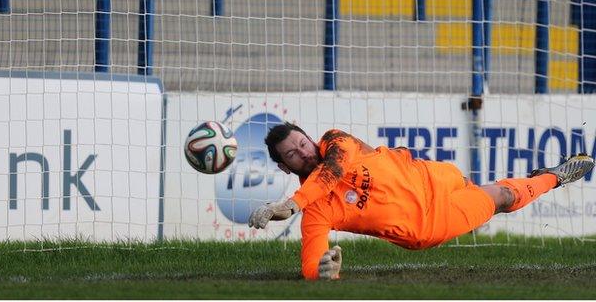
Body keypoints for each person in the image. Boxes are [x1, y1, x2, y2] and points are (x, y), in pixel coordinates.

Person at [248, 122, 595, 280]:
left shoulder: (336, 142)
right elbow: (312, 263)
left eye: (302, 144)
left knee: (496, 191)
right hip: (429, 223)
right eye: (292, 154)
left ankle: (538, 179)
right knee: (501, 196)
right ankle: (553, 177)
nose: (303, 153)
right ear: (283, 166)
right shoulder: (316, 211)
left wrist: (290, 204)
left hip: (431, 175)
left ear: (311, 138)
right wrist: (323, 272)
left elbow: (331, 171)